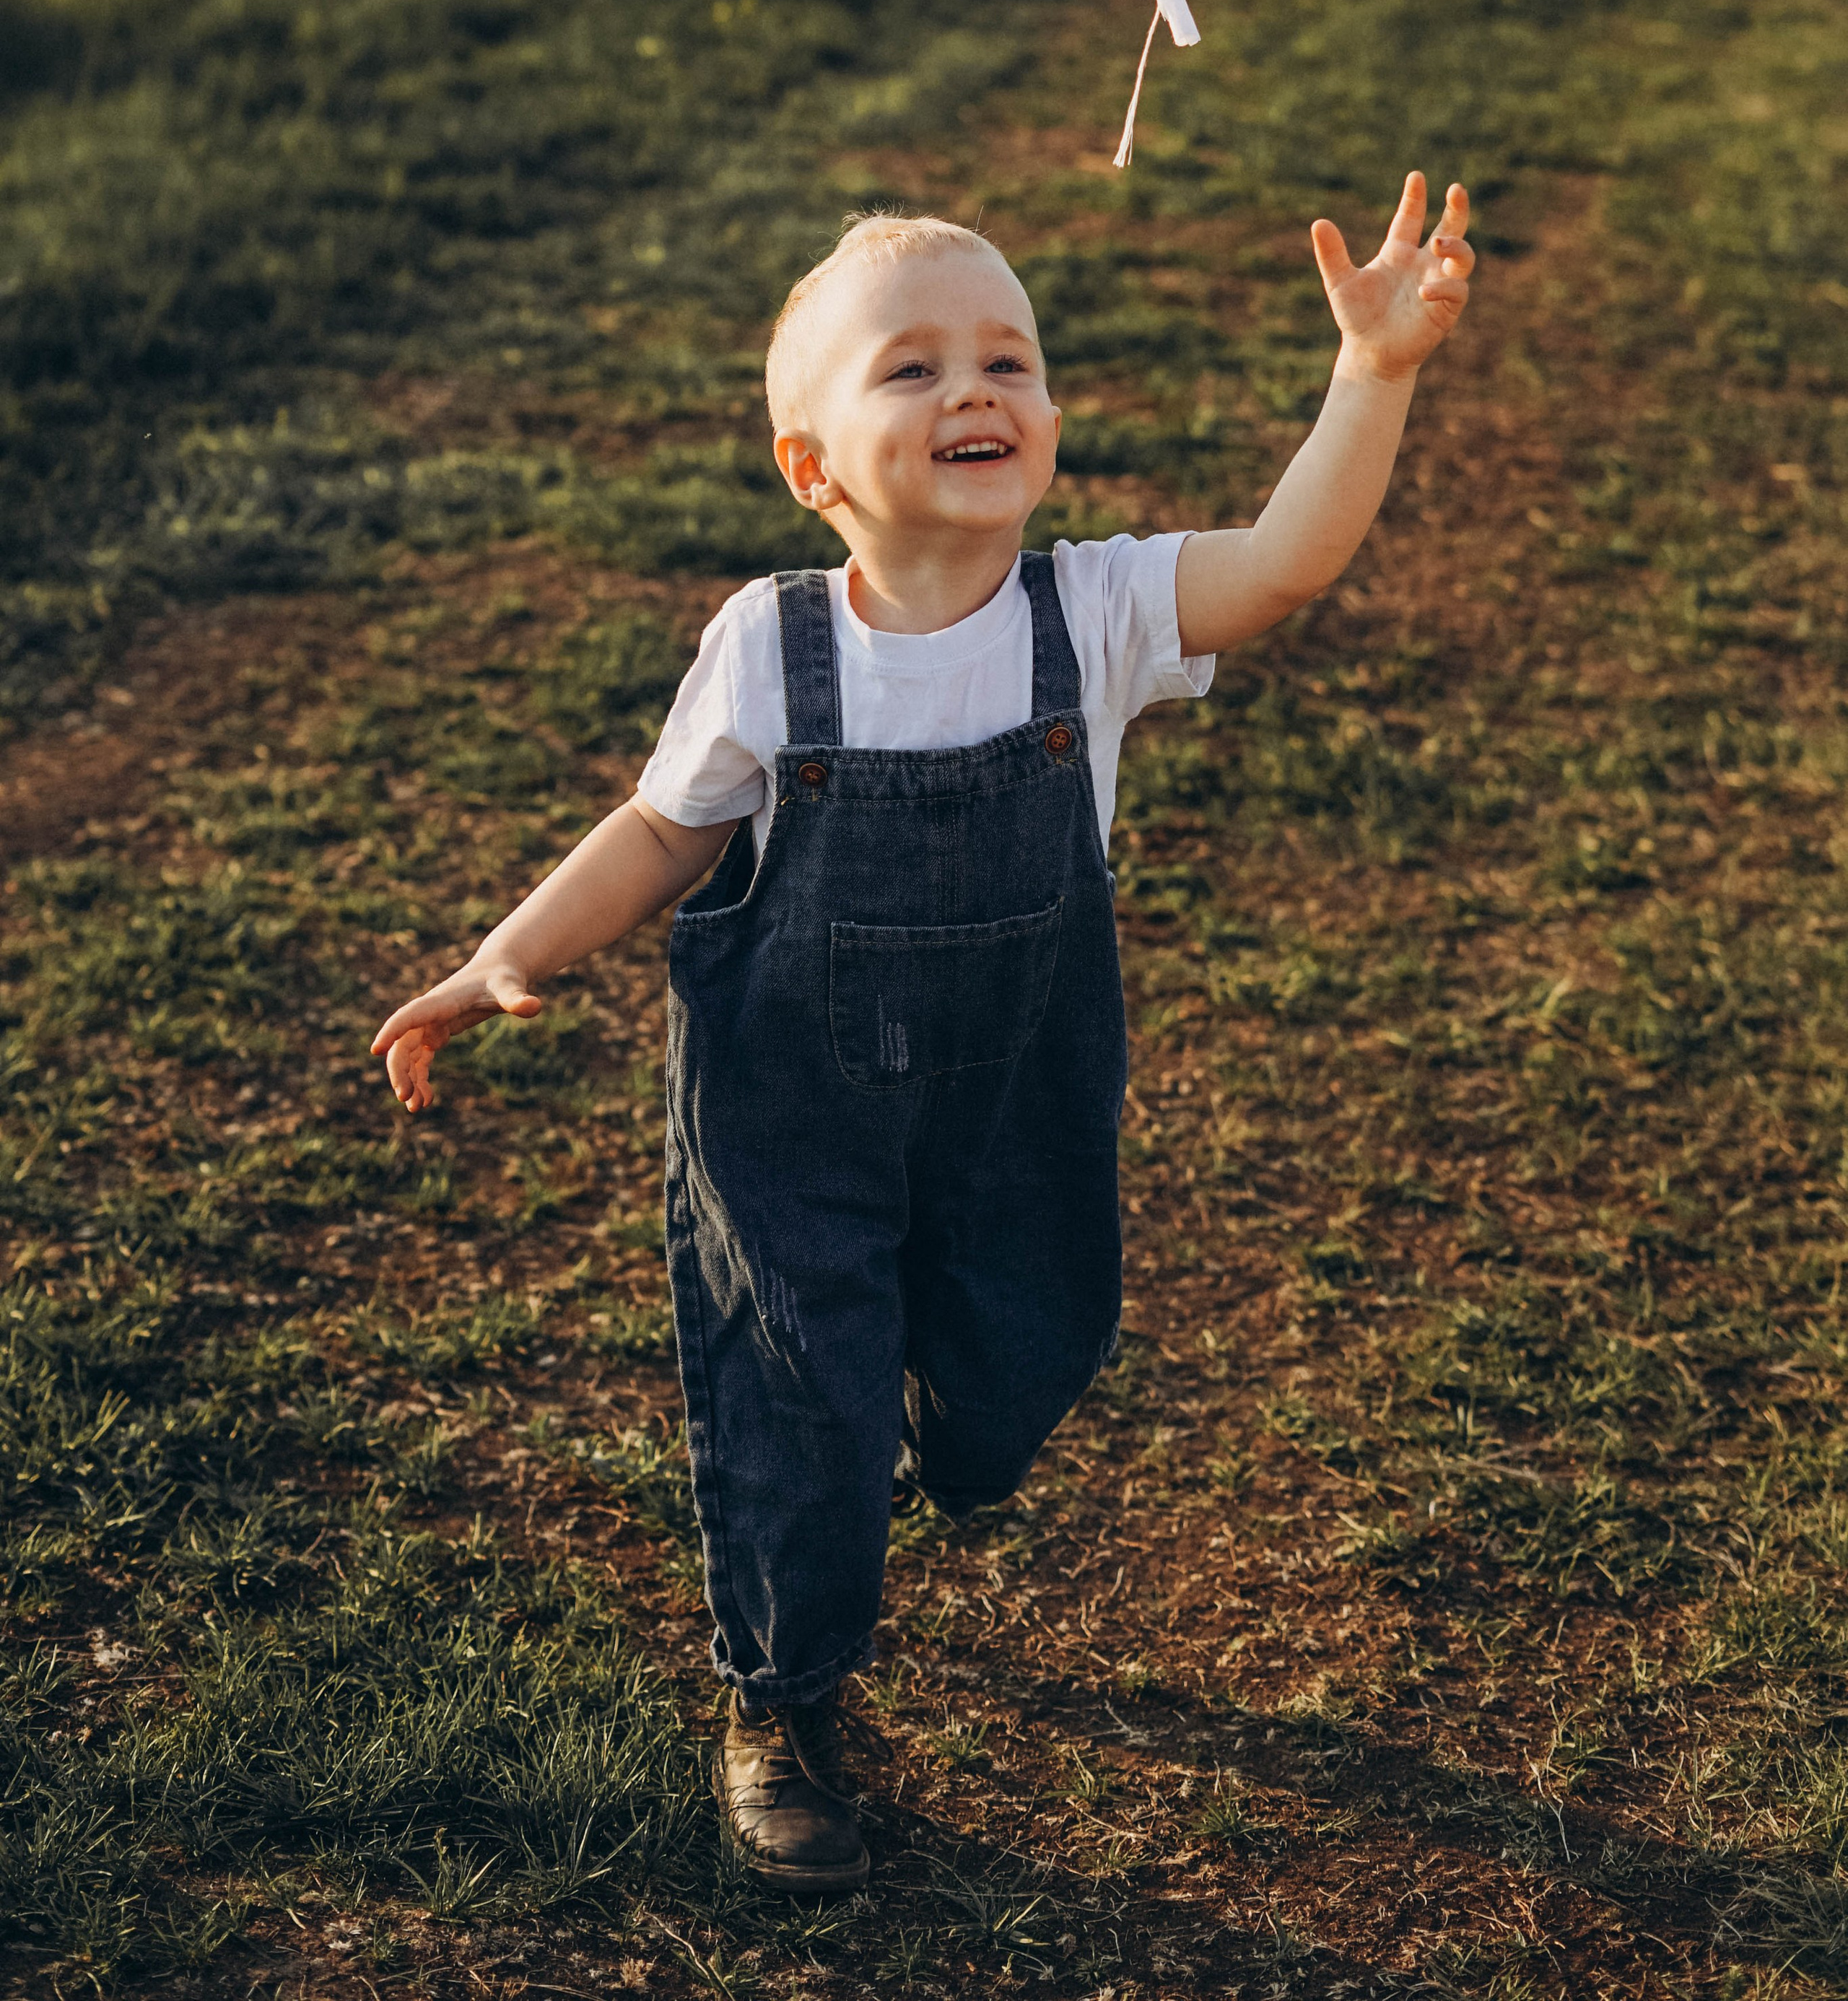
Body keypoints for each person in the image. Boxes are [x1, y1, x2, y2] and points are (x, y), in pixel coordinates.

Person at [371, 173, 1474, 1892]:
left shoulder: (1091, 613)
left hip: (1016, 1100)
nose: (975, 389)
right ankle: (781, 1699)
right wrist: (503, 954)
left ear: (1047, 420)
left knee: (1029, 1357)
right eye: (912, 369)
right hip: (791, 1117)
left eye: (1006, 360)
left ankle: (935, 1430)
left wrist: (1372, 373)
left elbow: (1277, 566)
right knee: (800, 1405)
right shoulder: (771, 647)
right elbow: (661, 831)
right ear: (811, 468)